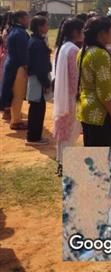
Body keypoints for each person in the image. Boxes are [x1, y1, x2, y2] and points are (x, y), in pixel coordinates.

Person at [77, 17, 111, 146]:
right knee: (99, 153)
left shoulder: (84, 50)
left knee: (92, 152)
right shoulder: (100, 54)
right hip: (101, 114)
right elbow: (105, 92)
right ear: (102, 33)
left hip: (87, 109)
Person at [52, 18, 84, 175]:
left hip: (64, 96)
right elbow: (75, 77)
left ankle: (61, 161)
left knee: (64, 132)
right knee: (70, 132)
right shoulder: (74, 51)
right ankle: (65, 164)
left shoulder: (64, 47)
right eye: (82, 30)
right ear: (75, 32)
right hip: (72, 97)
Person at [0, 10, 30, 130]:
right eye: (27, 18)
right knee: (18, 95)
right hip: (18, 67)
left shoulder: (13, 30)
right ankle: (16, 121)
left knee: (13, 93)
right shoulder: (20, 33)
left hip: (12, 64)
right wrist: (27, 68)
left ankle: (14, 117)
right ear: (20, 19)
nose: (28, 21)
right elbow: (23, 54)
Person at [25, 15, 52, 145]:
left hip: (36, 78)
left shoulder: (35, 40)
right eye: (46, 25)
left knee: (36, 108)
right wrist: (45, 83)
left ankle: (33, 136)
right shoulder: (37, 43)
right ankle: (34, 137)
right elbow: (39, 66)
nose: (48, 27)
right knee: (37, 109)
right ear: (40, 27)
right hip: (38, 79)